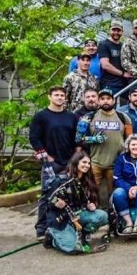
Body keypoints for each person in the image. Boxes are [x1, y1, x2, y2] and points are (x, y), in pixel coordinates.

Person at [29, 86, 80, 240]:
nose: (59, 97)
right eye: (56, 95)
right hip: (51, 164)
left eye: (62, 95)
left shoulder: (71, 117)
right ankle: (41, 229)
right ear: (49, 97)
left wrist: (75, 157)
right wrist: (45, 155)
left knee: (69, 195)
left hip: (69, 162)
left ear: (65, 98)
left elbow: (77, 138)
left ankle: (66, 226)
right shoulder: (41, 116)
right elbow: (34, 138)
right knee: (47, 196)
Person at [75, 88, 133, 203]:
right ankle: (94, 211)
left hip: (116, 162)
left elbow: (130, 140)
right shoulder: (89, 117)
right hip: (95, 162)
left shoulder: (123, 117)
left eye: (108, 98)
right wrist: (93, 139)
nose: (105, 101)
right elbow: (78, 139)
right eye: (102, 99)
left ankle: (113, 213)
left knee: (115, 194)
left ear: (113, 100)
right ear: (98, 101)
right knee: (92, 192)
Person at [45, 151, 108, 254]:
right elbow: (48, 201)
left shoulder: (85, 179)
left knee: (102, 216)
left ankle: (82, 235)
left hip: (77, 215)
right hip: (61, 219)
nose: (87, 165)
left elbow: (84, 200)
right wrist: (55, 204)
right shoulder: (61, 180)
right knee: (74, 248)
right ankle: (53, 239)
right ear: (76, 162)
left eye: (89, 163)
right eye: (84, 162)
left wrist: (90, 205)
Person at [98, 20, 129, 98]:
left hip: (124, 84)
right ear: (109, 30)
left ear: (122, 32)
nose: (116, 32)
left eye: (118, 30)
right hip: (110, 84)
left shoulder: (123, 46)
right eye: (114, 30)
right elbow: (105, 65)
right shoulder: (103, 44)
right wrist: (122, 74)